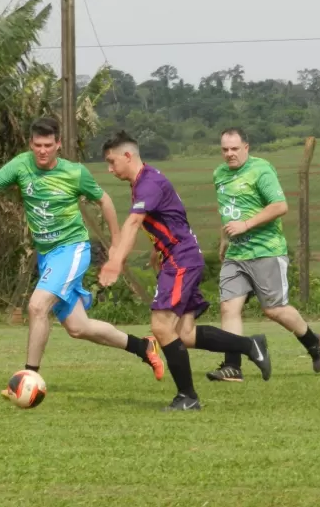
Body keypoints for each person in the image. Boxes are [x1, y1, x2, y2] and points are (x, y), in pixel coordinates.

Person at [0, 118, 164, 396]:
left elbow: (103, 199)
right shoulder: (21, 165)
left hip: (72, 250)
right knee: (79, 328)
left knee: (37, 306)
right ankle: (143, 346)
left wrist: (116, 242)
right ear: (31, 144)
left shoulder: (75, 173)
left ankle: (27, 379)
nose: (42, 151)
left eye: (48, 145)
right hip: (47, 256)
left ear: (58, 145)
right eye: (37, 146)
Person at [98, 130, 271, 412]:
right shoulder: (146, 179)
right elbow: (173, 214)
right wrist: (158, 247)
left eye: (112, 161)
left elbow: (132, 223)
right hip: (179, 256)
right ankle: (250, 345)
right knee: (185, 334)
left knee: (161, 327)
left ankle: (187, 397)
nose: (109, 168)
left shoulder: (148, 183)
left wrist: (116, 261)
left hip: (181, 260)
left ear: (127, 156)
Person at [205, 127, 320, 383]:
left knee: (274, 310)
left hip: (266, 251)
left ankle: (313, 342)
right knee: (229, 307)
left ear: (246, 147)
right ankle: (232, 366)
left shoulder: (261, 170)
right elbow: (228, 210)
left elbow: (280, 206)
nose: (229, 154)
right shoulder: (219, 174)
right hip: (236, 253)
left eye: (235, 149)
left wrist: (246, 226)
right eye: (225, 149)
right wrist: (225, 238)